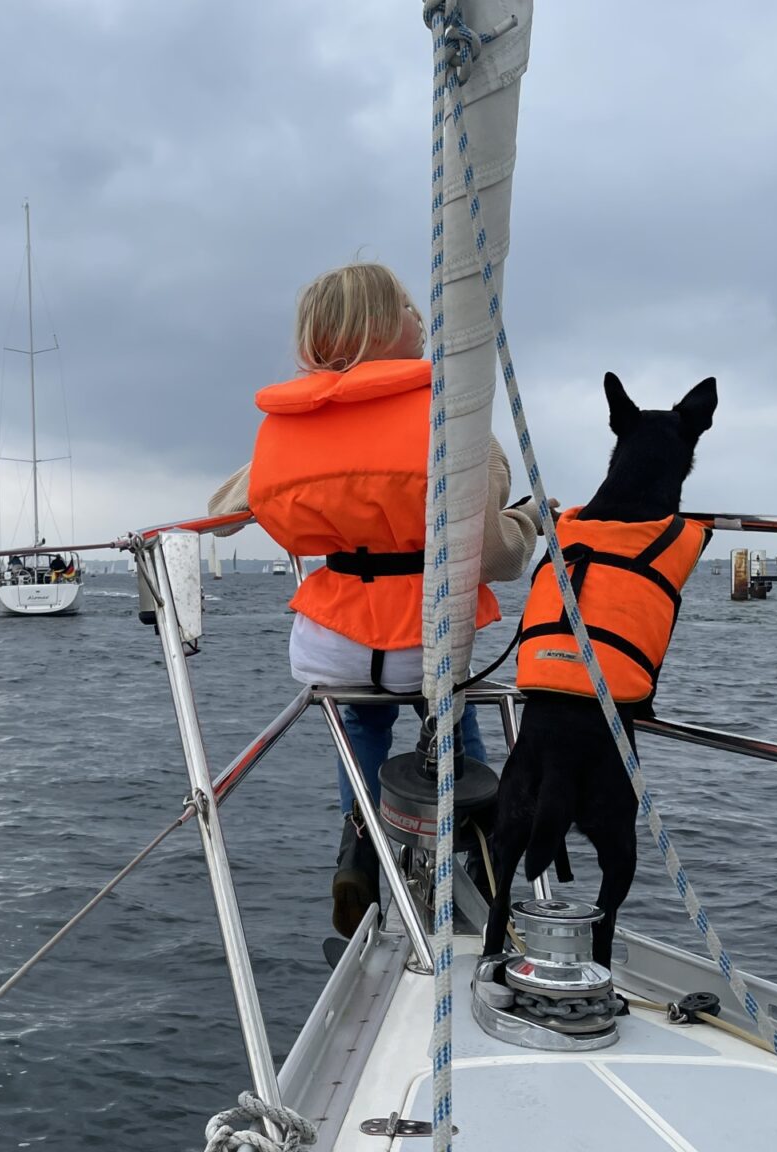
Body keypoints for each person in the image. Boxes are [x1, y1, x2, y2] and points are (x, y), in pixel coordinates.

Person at [208, 262, 552, 936]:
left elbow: (221, 514)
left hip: (330, 644)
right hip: (425, 639)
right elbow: (498, 558)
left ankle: (360, 843)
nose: (421, 318)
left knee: (360, 726)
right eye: (406, 307)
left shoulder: (292, 422)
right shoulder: (449, 415)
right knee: (456, 717)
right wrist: (530, 522)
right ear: (378, 326)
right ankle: (474, 847)